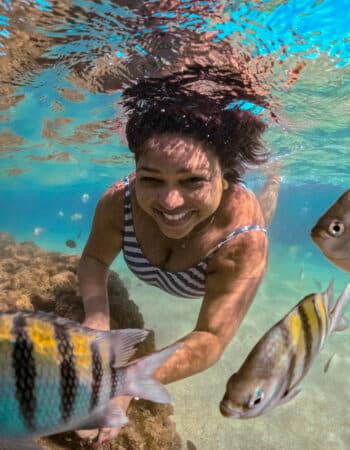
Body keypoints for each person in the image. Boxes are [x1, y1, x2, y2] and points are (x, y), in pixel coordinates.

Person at [77, 65, 280, 446]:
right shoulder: (118, 201)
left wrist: (129, 383)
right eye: (151, 179)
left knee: (263, 211)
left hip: (234, 227)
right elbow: (93, 261)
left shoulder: (243, 242)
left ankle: (274, 180)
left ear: (224, 176)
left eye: (193, 181)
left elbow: (211, 337)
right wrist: (97, 316)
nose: (170, 202)